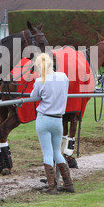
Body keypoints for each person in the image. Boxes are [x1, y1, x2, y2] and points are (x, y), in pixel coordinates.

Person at [30, 53, 74, 194]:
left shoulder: (39, 81)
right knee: (57, 152)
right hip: (58, 119)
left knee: (47, 153)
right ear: (51, 63)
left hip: (44, 119)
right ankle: (68, 184)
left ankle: (52, 186)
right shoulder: (63, 77)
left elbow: (33, 97)